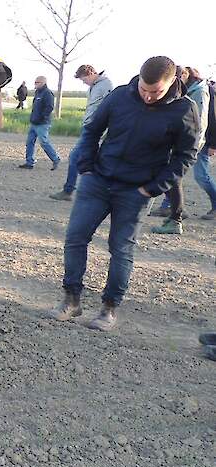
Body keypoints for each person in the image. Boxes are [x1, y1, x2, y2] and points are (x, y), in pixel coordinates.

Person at [48, 56, 199, 331]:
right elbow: (92, 130)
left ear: (171, 83)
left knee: (121, 248)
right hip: (98, 181)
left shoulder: (184, 110)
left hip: (136, 190)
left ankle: (109, 309)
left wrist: (152, 188)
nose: (149, 97)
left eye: (156, 92)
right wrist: (86, 166)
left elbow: (185, 157)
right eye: (144, 89)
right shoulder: (119, 96)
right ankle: (71, 299)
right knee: (75, 238)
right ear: (138, 79)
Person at [152, 66, 216, 232]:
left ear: (186, 76)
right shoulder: (190, 90)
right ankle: (173, 213)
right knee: (173, 177)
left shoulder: (199, 92)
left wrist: (202, 144)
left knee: (200, 177)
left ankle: (177, 216)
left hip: (196, 143)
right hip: (185, 141)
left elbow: (203, 120)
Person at [50, 65, 113, 201]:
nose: (83, 82)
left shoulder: (106, 85)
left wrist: (105, 128)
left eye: (83, 79)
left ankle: (69, 191)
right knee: (88, 159)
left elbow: (110, 107)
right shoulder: (95, 86)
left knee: (75, 157)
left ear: (90, 74)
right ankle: (80, 190)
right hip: (89, 126)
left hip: (96, 129)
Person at [18, 76, 60, 170]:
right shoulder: (37, 92)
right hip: (34, 123)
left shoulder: (47, 93)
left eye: (37, 82)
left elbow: (49, 107)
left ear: (43, 83)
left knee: (44, 142)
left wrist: (42, 117)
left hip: (42, 123)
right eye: (35, 82)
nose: (35, 84)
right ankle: (29, 162)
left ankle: (55, 159)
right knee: (29, 142)